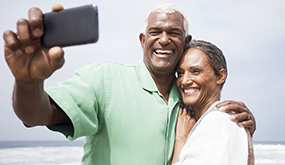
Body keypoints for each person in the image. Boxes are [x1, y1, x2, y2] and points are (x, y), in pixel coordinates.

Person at [3, 3, 256, 165]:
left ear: (186, 39)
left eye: (174, 33)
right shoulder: (106, 80)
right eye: (155, 32)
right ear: (142, 39)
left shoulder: (191, 99)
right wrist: (27, 82)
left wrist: (237, 130)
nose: (164, 39)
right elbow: (37, 114)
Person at [171, 40, 254, 165]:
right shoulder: (210, 121)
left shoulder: (218, 122)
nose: (184, 81)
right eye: (180, 73)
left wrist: (180, 140)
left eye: (195, 71)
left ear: (220, 76)